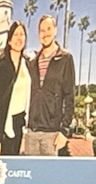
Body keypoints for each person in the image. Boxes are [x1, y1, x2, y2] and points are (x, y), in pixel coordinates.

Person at [25, 14, 76, 157]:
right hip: (31, 132)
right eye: (41, 30)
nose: (45, 33)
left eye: (48, 29)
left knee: (50, 177)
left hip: (53, 134)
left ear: (55, 30)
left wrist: (64, 130)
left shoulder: (65, 58)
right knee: (32, 176)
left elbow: (69, 96)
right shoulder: (32, 62)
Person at [0, 20, 30, 156]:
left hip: (19, 122)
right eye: (15, 34)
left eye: (22, 34)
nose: (19, 38)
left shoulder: (27, 64)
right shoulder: (2, 66)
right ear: (9, 40)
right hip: (4, 125)